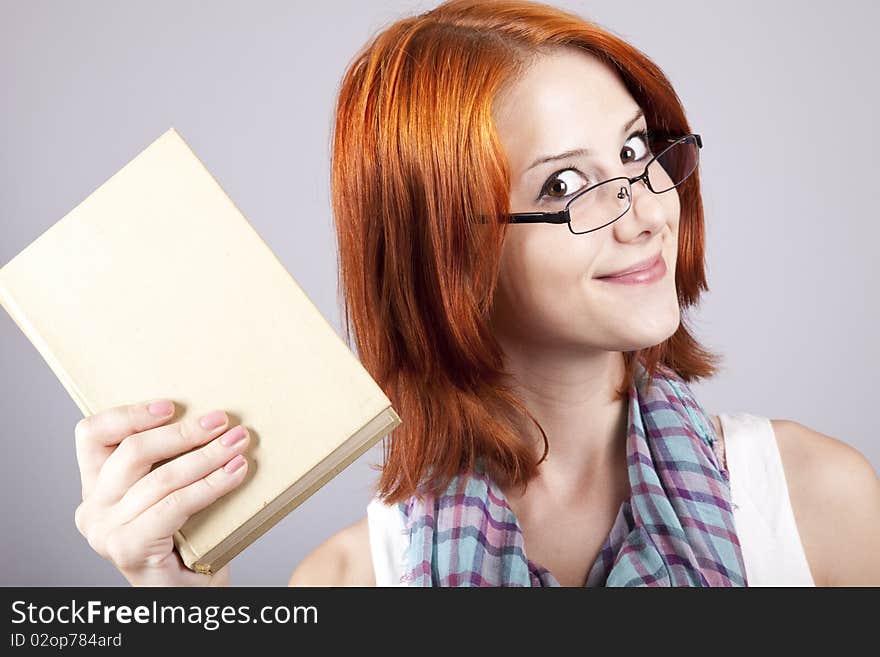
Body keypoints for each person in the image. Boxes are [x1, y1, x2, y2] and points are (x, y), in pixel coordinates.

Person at [73, 0, 879, 587]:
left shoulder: (817, 499)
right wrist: (172, 597)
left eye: (636, 147)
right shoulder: (351, 578)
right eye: (568, 182)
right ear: (448, 243)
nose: (645, 214)